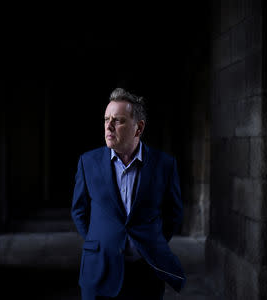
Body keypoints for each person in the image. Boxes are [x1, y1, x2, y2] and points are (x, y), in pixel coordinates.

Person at [71, 87, 186, 300]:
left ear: (138, 128)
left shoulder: (164, 165)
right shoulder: (88, 162)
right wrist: (99, 241)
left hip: (146, 273)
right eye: (106, 119)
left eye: (118, 120)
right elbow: (79, 210)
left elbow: (174, 214)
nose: (108, 126)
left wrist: (150, 241)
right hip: (99, 270)